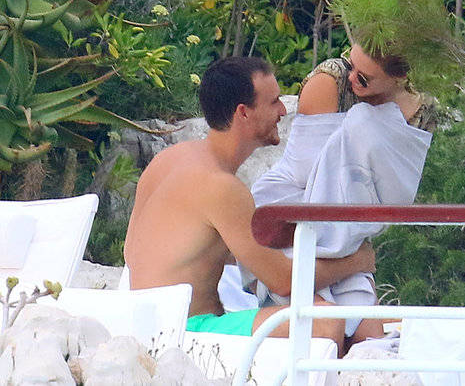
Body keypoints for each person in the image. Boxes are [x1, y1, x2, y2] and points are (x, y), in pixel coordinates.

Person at [123, 57, 376, 356]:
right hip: (183, 333)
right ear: (243, 113)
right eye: (273, 102)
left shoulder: (169, 160)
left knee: (326, 313)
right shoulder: (220, 186)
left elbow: (175, 250)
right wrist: (357, 260)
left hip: (142, 324)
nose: (283, 111)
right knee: (324, 321)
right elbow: (283, 281)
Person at [250, 43, 437, 343]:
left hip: (350, 232)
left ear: (398, 78)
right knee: (326, 331)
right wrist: (361, 126)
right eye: (351, 63)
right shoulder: (331, 81)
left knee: (368, 338)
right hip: (293, 216)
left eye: (363, 78)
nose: (352, 78)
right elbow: (306, 172)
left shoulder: (420, 112)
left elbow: (393, 199)